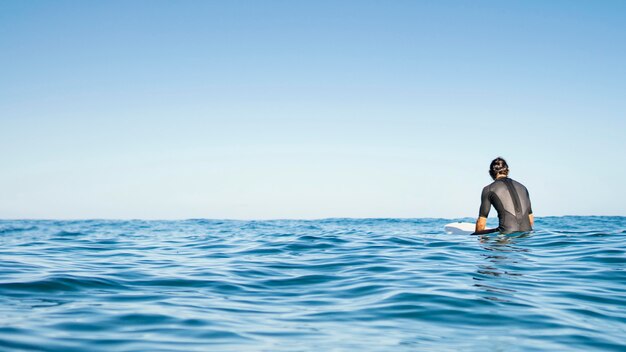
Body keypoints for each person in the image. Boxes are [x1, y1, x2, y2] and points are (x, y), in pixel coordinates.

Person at [475, 157, 534, 234]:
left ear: (490, 173)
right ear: (507, 171)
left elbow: (481, 224)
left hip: (505, 237)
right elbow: (531, 220)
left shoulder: (488, 189)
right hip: (527, 235)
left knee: (476, 235)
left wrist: (477, 236)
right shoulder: (523, 187)